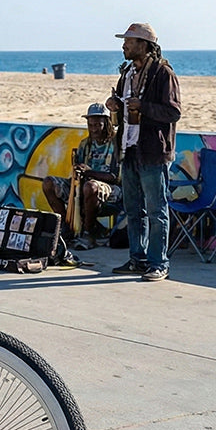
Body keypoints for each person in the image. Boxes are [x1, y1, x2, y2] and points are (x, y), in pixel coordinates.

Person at [106, 23, 181, 282]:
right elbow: (122, 107)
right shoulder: (127, 73)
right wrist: (115, 104)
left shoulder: (163, 73)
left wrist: (143, 106)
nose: (124, 46)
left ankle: (159, 263)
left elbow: (173, 112)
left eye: (129, 41)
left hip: (152, 153)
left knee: (156, 211)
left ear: (144, 44)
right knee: (133, 210)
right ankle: (137, 259)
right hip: (129, 149)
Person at [42, 103, 122, 249]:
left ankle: (88, 232)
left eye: (98, 125)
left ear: (107, 124)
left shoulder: (116, 144)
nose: (94, 129)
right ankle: (67, 228)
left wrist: (89, 172)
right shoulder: (85, 144)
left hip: (112, 190)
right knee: (49, 183)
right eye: (91, 125)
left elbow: (114, 177)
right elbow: (79, 170)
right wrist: (77, 171)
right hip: (84, 185)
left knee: (90, 187)